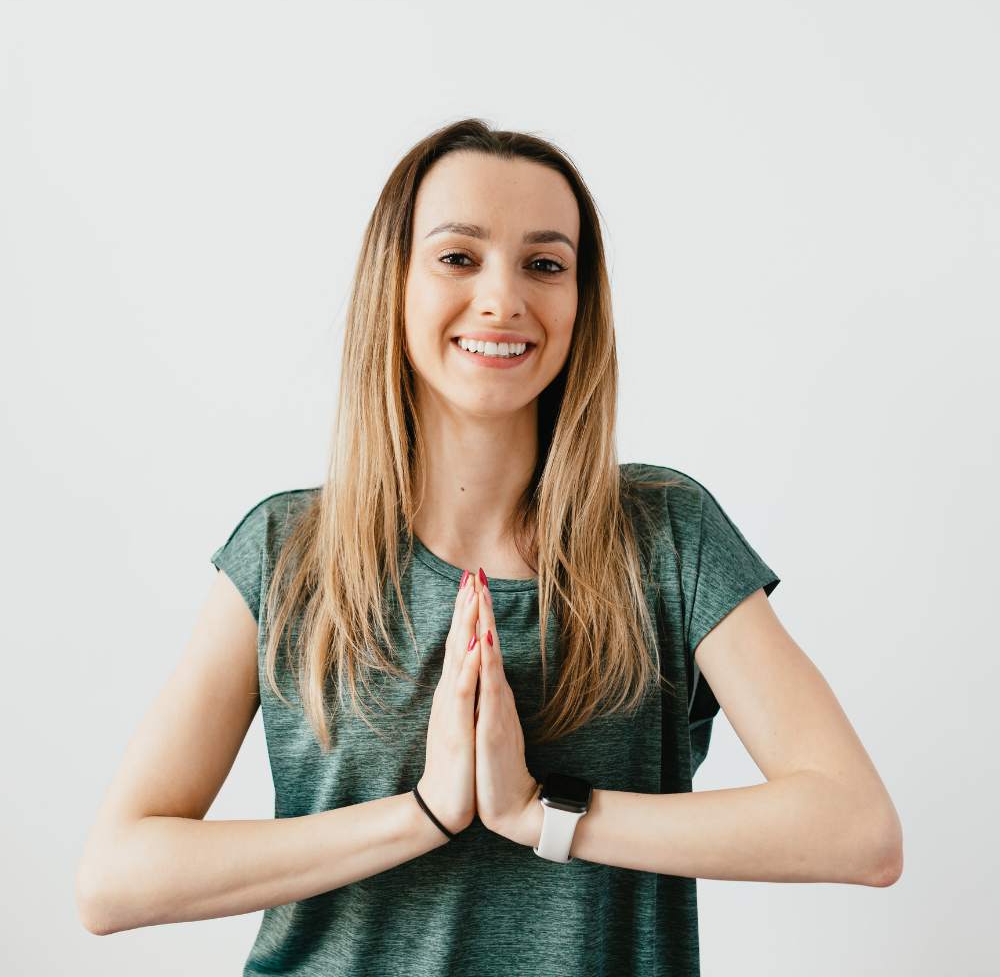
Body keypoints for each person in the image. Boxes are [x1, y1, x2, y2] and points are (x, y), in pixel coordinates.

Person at [75, 118, 903, 975]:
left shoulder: (667, 535)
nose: (504, 297)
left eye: (545, 264)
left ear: (582, 303)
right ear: (394, 285)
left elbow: (856, 829)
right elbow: (115, 880)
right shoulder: (288, 553)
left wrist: (544, 814)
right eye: (459, 257)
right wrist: (426, 813)